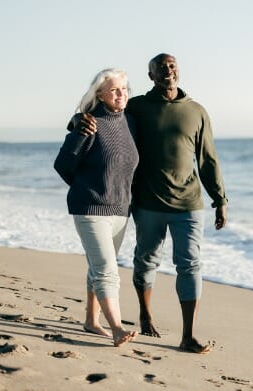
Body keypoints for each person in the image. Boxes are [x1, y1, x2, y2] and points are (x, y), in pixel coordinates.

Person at [80, 53, 227, 354]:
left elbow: (208, 160)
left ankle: (188, 335)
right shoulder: (137, 108)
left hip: (189, 204)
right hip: (148, 203)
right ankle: (145, 314)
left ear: (178, 72)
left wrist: (220, 199)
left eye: (172, 66)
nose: (167, 71)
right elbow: (103, 112)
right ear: (151, 76)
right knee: (146, 261)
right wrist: (77, 119)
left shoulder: (196, 111)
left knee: (190, 265)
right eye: (160, 68)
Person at [54, 68, 139, 347]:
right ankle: (116, 327)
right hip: (91, 209)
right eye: (114, 90)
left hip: (120, 211)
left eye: (124, 89)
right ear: (100, 94)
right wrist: (86, 189)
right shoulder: (88, 123)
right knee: (106, 270)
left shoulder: (130, 123)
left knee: (99, 266)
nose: (120, 94)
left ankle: (92, 321)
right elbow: (63, 164)